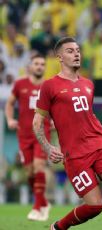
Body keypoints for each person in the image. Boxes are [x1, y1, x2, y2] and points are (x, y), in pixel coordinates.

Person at [33, 37, 102, 230]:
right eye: (70, 51)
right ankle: (59, 227)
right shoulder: (49, 86)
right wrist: (48, 147)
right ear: (59, 57)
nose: (76, 53)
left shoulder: (88, 84)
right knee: (95, 206)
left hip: (99, 143)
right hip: (75, 154)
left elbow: (90, 115)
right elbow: (37, 122)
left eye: (78, 50)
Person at [5, 54, 51, 221]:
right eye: (36, 64)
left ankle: (37, 207)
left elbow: (57, 106)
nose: (39, 66)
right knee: (29, 171)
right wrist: (10, 119)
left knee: (39, 165)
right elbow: (9, 103)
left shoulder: (49, 86)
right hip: (23, 134)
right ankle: (44, 202)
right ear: (30, 67)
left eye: (42, 64)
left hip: (41, 132)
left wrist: (54, 120)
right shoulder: (20, 84)